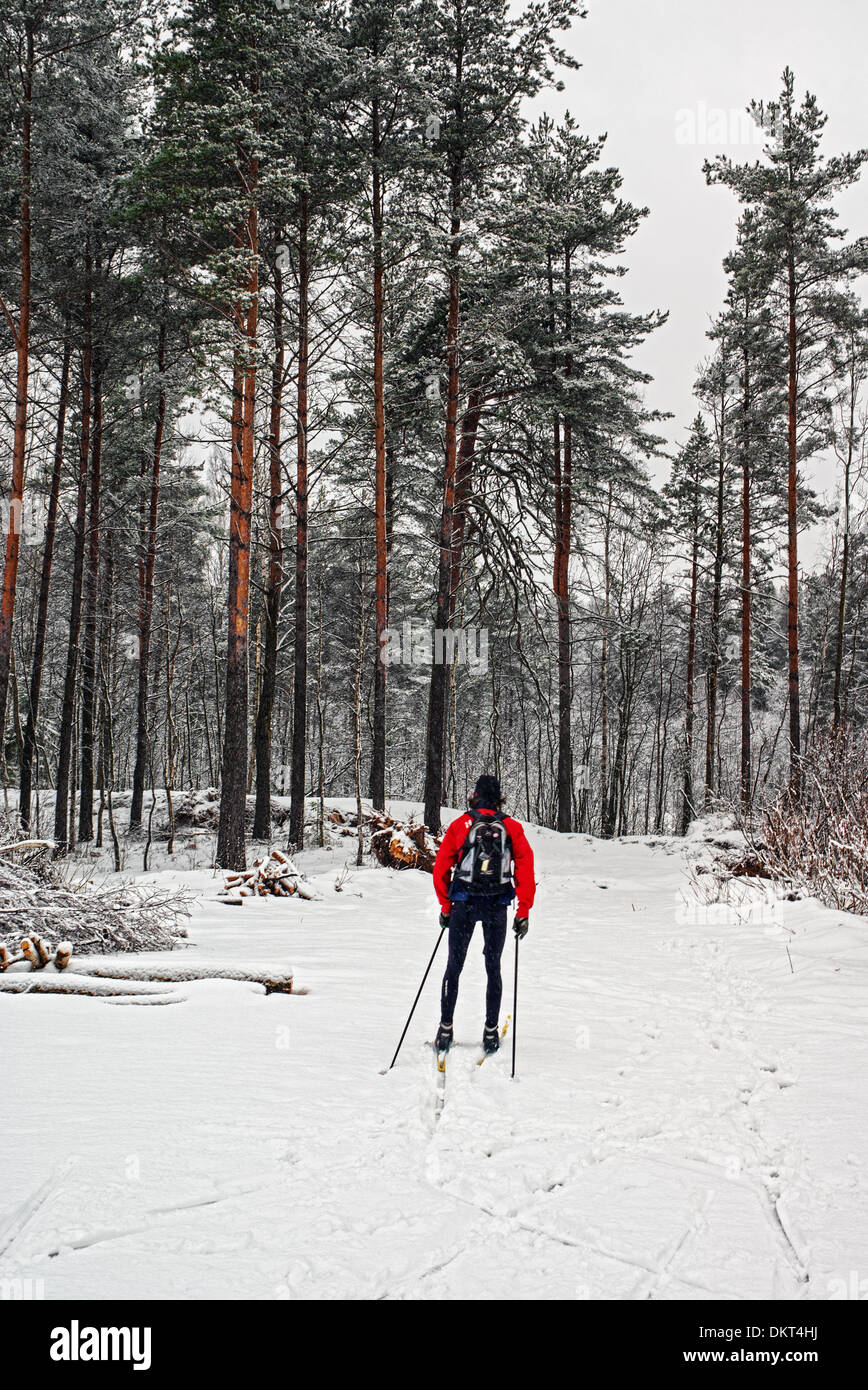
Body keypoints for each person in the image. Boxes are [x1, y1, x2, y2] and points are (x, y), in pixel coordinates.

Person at [432, 775, 535, 1054]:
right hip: (496, 906)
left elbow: (441, 868)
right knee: (493, 968)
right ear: (499, 798)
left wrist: (445, 906)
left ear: (475, 796)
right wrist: (523, 910)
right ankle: (490, 1033)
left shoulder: (460, 825)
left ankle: (445, 1029)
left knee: (454, 966)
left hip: (463, 904)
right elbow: (525, 869)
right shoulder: (511, 828)